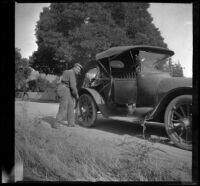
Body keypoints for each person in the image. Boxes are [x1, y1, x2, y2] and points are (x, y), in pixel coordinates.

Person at [53, 63, 83, 129]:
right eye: (78, 69)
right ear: (74, 67)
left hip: (67, 89)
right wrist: (76, 95)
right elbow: (73, 86)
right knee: (63, 107)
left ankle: (71, 123)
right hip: (64, 89)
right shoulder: (71, 73)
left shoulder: (69, 72)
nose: (78, 71)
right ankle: (56, 123)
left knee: (71, 106)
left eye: (79, 70)